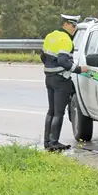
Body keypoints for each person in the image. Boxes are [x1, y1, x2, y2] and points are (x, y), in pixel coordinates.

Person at [40, 14, 87, 151]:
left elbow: (43, 56)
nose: (74, 29)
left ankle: (47, 142)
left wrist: (50, 67)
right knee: (59, 112)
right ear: (66, 24)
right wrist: (78, 69)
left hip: (49, 78)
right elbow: (62, 60)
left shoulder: (50, 36)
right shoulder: (65, 39)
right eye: (73, 26)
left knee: (51, 111)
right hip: (61, 79)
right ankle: (54, 142)